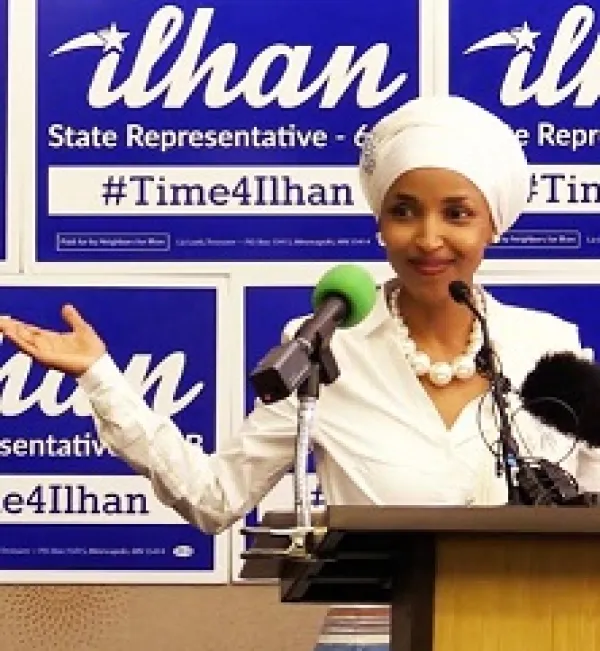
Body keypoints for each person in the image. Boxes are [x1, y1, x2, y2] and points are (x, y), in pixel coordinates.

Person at [0, 95, 599, 650]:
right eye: (404, 211)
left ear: (493, 225)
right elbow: (215, 497)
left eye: (457, 213)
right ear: (379, 223)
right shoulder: (324, 347)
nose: (428, 237)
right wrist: (101, 378)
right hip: (369, 639)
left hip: (530, 631)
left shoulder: (546, 345)